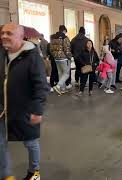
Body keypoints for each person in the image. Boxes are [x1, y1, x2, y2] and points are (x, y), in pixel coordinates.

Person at [0, 23, 49, 180]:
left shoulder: (32, 57)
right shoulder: (2, 54)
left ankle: (34, 172)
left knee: (30, 142)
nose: (4, 36)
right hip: (2, 110)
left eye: (9, 33)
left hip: (25, 110)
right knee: (1, 143)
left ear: (21, 37)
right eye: (2, 33)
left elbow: (41, 85)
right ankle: (6, 175)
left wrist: (37, 110)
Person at [49, 25, 73, 95]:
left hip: (56, 58)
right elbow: (67, 49)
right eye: (65, 32)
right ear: (64, 30)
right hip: (64, 58)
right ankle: (58, 86)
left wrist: (55, 55)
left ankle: (63, 89)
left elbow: (51, 49)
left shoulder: (52, 38)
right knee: (66, 74)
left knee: (60, 73)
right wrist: (69, 57)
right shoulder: (64, 37)